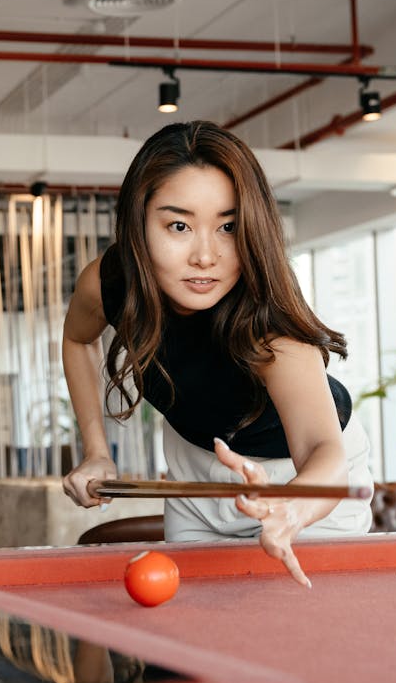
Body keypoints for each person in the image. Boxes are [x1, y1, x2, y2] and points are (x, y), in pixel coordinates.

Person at [61, 121, 373, 588]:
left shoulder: (271, 323)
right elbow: (77, 340)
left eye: (228, 226)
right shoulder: (110, 282)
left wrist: (292, 509)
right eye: (179, 225)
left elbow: (321, 451)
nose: (205, 256)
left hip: (305, 479)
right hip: (195, 467)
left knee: (302, 635)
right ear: (137, 224)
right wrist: (96, 453)